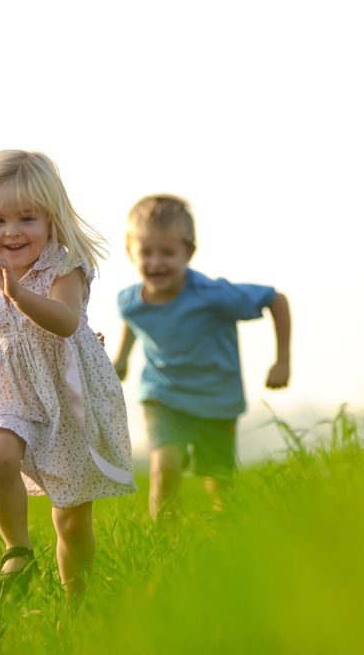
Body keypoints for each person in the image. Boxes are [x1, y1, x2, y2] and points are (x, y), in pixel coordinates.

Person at [0, 150, 136, 599]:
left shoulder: (63, 267)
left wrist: (19, 294)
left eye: (27, 218)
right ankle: (17, 550)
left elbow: (65, 321)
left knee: (71, 520)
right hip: (12, 392)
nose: (12, 231)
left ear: (52, 220)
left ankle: (78, 604)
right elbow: (4, 333)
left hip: (66, 398)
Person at [113, 194, 291, 521]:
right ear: (130, 252)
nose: (156, 263)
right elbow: (135, 320)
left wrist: (281, 362)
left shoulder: (213, 295)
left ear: (188, 253)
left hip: (216, 400)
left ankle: (226, 536)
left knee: (219, 482)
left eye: (167, 253)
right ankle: (164, 541)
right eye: (147, 253)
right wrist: (121, 358)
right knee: (164, 466)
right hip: (163, 397)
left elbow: (275, 300)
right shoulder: (129, 300)